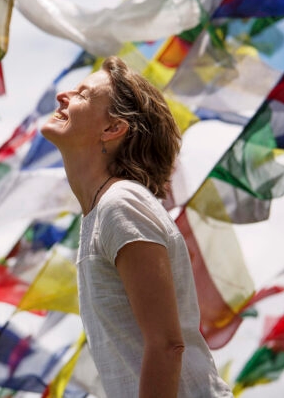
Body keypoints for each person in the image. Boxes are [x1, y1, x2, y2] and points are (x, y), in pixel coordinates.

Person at [40, 56, 233, 398]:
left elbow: (166, 345)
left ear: (112, 129)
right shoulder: (103, 212)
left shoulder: (120, 204)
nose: (63, 96)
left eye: (82, 94)